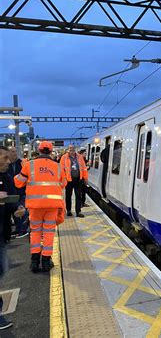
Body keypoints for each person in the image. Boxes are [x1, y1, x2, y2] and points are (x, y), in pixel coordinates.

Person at [14, 141, 66, 272]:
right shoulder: (58, 167)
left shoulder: (29, 165)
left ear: (39, 150)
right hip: (52, 206)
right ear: (51, 151)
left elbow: (19, 183)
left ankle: (34, 262)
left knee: (35, 232)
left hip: (35, 206)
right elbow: (63, 183)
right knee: (49, 233)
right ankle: (47, 262)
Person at [0, 146, 26, 329]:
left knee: (2, 268)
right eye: (5, 158)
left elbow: (10, 200)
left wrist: (17, 209)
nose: (9, 162)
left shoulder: (7, 177)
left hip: (2, 232)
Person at [60, 145, 88, 217]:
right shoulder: (64, 157)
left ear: (75, 150)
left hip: (78, 179)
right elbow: (61, 169)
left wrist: (85, 178)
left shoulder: (79, 157)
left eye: (73, 149)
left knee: (78, 195)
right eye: (70, 149)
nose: (71, 151)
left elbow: (84, 168)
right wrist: (63, 179)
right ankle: (68, 210)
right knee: (68, 195)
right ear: (68, 150)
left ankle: (78, 211)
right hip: (68, 180)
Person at [6, 146, 28, 239]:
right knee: (13, 211)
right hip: (10, 192)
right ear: (8, 153)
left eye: (15, 151)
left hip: (22, 191)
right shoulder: (6, 164)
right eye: (12, 151)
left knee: (22, 210)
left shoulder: (22, 163)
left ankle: (22, 230)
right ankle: (18, 229)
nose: (14, 153)